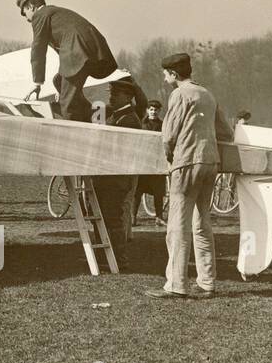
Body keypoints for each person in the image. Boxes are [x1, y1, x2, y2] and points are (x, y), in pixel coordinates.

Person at [145, 52, 231, 300]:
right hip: (210, 162)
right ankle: (206, 281)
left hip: (187, 163)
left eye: (165, 73)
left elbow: (169, 135)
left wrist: (170, 155)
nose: (164, 77)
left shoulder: (179, 94)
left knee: (177, 225)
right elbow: (225, 132)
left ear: (174, 74)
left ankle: (176, 284)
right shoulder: (207, 94)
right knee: (202, 222)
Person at [16, 0, 117, 122]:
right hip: (95, 51)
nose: (28, 20)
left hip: (78, 52)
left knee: (67, 105)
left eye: (25, 14)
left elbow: (38, 49)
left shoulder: (40, 15)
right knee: (58, 81)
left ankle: (76, 133)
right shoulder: (56, 12)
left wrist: (37, 83)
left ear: (31, 7)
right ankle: (102, 113)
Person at [91, 77, 144, 261]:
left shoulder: (129, 119)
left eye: (116, 94)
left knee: (112, 217)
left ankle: (117, 258)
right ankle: (105, 257)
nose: (111, 97)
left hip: (116, 178)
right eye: (111, 93)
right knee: (106, 216)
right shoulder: (118, 115)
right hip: (109, 177)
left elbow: (118, 151)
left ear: (128, 97)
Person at [135, 99, 167, 223]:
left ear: (159, 111)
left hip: (157, 162)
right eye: (151, 109)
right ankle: (133, 217)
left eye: (156, 110)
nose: (153, 112)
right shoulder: (141, 124)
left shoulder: (163, 125)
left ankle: (159, 217)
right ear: (147, 110)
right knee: (137, 192)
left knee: (158, 192)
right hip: (143, 162)